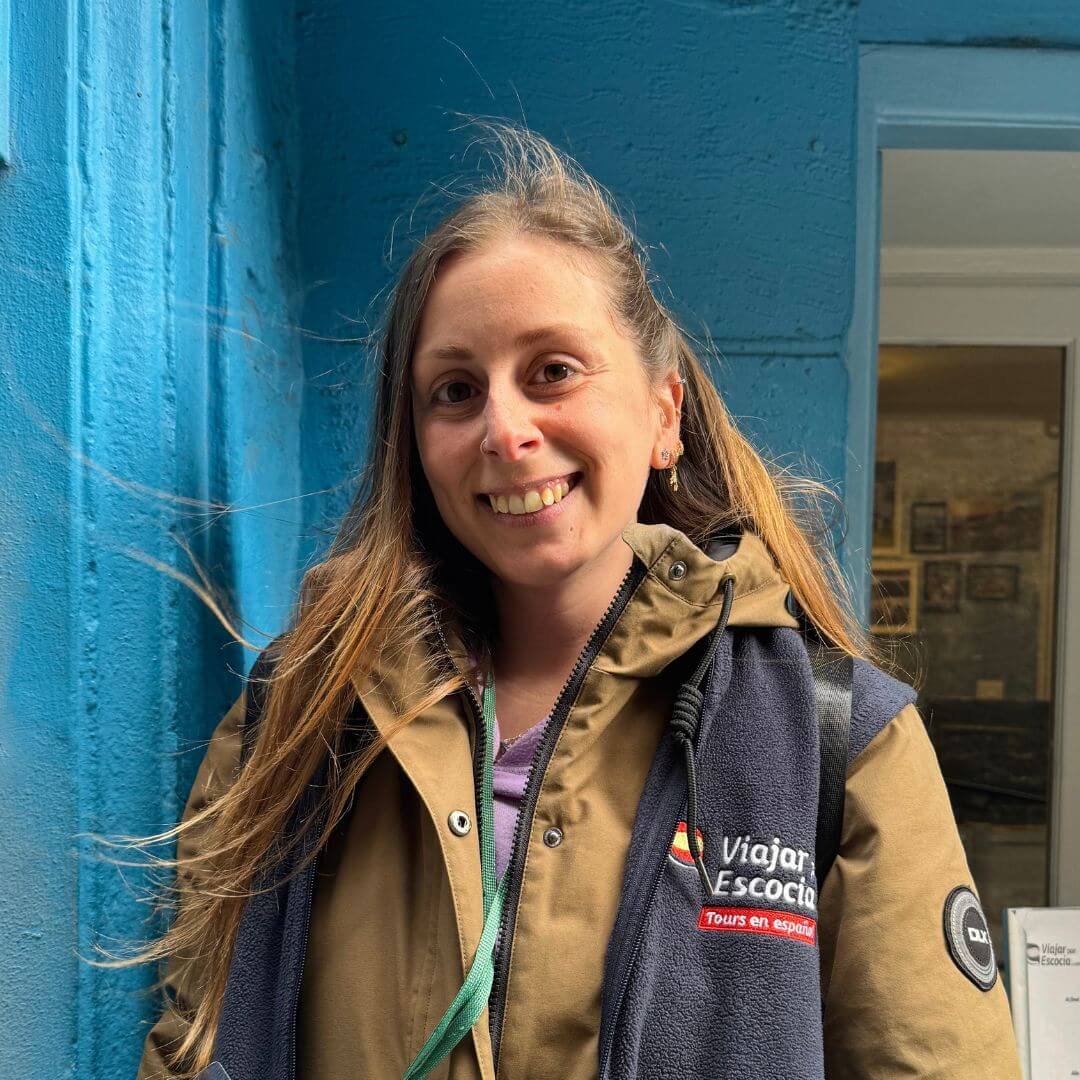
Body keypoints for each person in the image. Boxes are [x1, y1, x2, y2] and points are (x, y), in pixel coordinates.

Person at [133, 120, 1022, 1079]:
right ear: (414, 446)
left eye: (552, 371)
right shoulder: (298, 717)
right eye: (455, 391)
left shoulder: (837, 739)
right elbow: (193, 1049)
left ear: (663, 414)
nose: (505, 429)